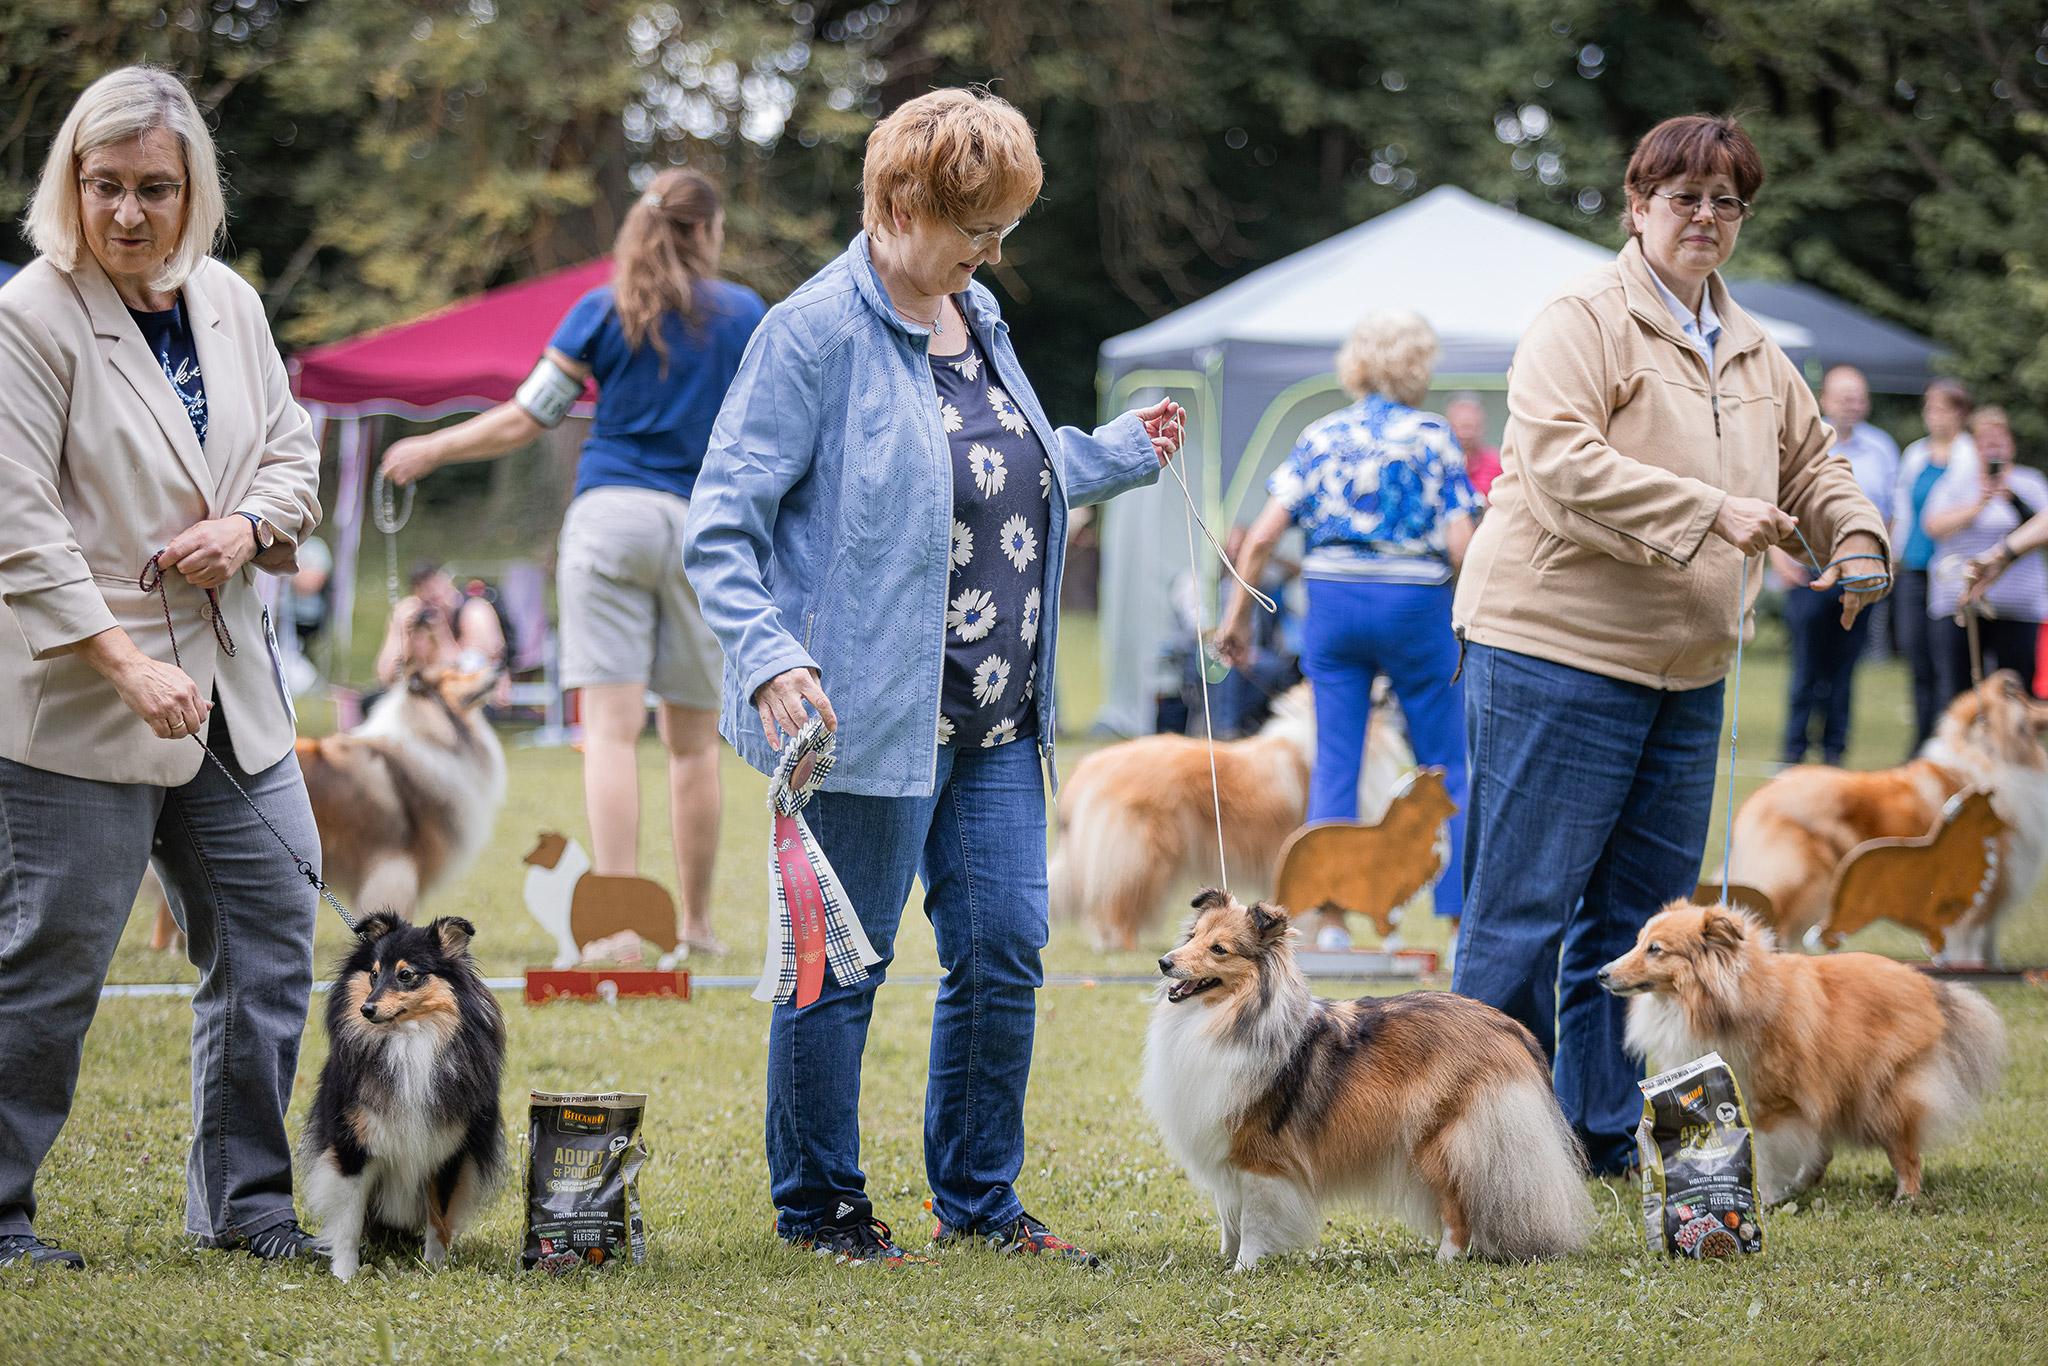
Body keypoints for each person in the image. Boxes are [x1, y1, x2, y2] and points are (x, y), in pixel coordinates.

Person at [684, 88, 1184, 1267]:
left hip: (999, 714)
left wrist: (1105, 457)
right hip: (859, 718)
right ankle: (818, 1208)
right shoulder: (811, 335)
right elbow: (719, 522)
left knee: (1007, 943)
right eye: (976, 226)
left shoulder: (981, 315)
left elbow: (988, 466)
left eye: (1005, 227)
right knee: (837, 967)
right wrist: (768, 658)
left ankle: (978, 1196)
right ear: (900, 201)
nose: (993, 251)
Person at [1447, 115, 1888, 1176]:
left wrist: (1857, 535)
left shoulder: (1750, 346)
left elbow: (1810, 463)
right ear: (1636, 206)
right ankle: (1474, 1139)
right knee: (1520, 914)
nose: (1704, 217)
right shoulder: (1579, 321)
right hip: (1550, 651)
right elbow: (1556, 462)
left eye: (1725, 201)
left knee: (1648, 934)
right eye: (1682, 196)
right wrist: (1708, 509)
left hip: (1686, 671)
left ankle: (1602, 1138)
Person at [0, 66, 326, 1268]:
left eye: (153, 189)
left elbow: (289, 456)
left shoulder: (232, 302)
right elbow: (17, 529)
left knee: (273, 928)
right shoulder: (28, 318)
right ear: (70, 187)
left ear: (193, 193)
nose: (128, 213)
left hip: (232, 698)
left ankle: (242, 1202)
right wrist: (127, 666)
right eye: (104, 187)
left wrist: (246, 530)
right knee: (52, 958)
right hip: (78, 698)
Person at [381, 168, 762, 956]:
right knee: (693, 746)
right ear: (711, 232)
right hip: (700, 528)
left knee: (612, 736)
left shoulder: (604, 308)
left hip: (609, 519)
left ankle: (618, 927)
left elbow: (530, 415)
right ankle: (695, 927)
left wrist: (431, 447)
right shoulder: (745, 316)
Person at [1214, 310, 1476, 950]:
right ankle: (1459, 918)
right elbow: (1462, 543)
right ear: (1419, 366)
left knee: (1336, 755)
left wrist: (1234, 621)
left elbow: (1262, 538)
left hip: (1331, 607)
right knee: (1446, 761)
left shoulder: (1321, 435)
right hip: (1416, 609)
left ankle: (1328, 919)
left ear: (1355, 364)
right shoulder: (1434, 438)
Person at [1772, 364, 1899, 765]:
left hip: (1858, 573)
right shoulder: (1806, 442)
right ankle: (1793, 753)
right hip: (1806, 569)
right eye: (1844, 396)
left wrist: (1880, 559)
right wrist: (1778, 555)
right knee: (1806, 667)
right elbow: (1774, 496)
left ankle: (1833, 755)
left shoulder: (1882, 448)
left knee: (1844, 670)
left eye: (1858, 396)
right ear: (1823, 399)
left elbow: (1890, 514)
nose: (1852, 403)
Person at [1924, 406, 2046, 696]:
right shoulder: (1956, 483)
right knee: (1962, 692)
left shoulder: (2030, 482)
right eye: (1986, 439)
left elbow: (2042, 525)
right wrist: (1979, 504)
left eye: (2000, 438)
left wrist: (2012, 500)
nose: (1994, 446)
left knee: (2016, 694)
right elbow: (1933, 525)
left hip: (2018, 605)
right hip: (1963, 602)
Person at [1891, 379, 1977, 746]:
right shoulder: (1915, 455)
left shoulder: (1969, 457)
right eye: (1929, 408)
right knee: (1917, 655)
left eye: (1942, 408)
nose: (1933, 416)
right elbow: (1901, 509)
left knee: (1948, 662)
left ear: (1960, 414)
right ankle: (1922, 740)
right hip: (1914, 564)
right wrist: (1892, 556)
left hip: (1950, 570)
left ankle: (1950, 740)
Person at [371, 560, 507, 687]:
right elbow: (385, 676)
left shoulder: (475, 612)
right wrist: (402, 631)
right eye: (426, 593)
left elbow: (467, 676)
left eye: (437, 588)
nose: (433, 594)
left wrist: (441, 633)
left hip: (479, 696)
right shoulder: (417, 615)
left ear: (448, 582)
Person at [1445, 392, 1502, 498]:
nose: (1465, 434)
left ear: (1482, 427)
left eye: (1470, 427)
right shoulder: (1439, 465)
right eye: (1460, 427)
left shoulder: (1498, 464)